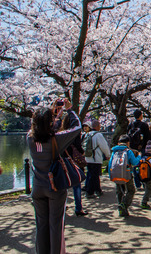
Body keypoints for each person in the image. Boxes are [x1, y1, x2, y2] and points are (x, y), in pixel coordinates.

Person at [27, 99, 81, 254]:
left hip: (37, 187)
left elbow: (40, 125)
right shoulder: (56, 139)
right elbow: (77, 127)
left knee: (41, 225)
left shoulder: (30, 138)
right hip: (54, 186)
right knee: (56, 224)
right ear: (50, 122)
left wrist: (53, 112)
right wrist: (70, 110)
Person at [61, 114, 88, 217]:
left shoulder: (61, 132)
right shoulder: (75, 132)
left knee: (64, 185)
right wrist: (82, 153)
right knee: (76, 185)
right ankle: (78, 208)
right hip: (74, 161)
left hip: (63, 160)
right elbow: (78, 146)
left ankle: (63, 206)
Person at [109, 135, 141, 217]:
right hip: (127, 174)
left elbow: (110, 164)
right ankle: (124, 205)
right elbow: (134, 162)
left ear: (118, 143)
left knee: (119, 191)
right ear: (128, 143)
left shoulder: (114, 151)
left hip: (116, 174)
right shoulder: (128, 151)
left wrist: (110, 174)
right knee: (131, 190)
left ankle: (121, 209)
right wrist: (139, 156)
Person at [84, 119, 110, 198]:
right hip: (96, 158)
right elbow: (104, 146)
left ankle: (98, 190)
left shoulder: (87, 134)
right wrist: (107, 154)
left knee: (92, 175)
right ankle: (90, 192)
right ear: (97, 126)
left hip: (88, 158)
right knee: (94, 176)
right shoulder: (98, 135)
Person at [127, 109, 150, 189]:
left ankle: (137, 184)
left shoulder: (131, 125)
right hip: (141, 148)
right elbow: (148, 137)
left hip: (133, 149)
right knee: (142, 165)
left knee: (135, 166)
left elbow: (127, 136)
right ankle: (143, 181)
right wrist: (143, 144)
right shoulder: (144, 125)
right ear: (141, 115)